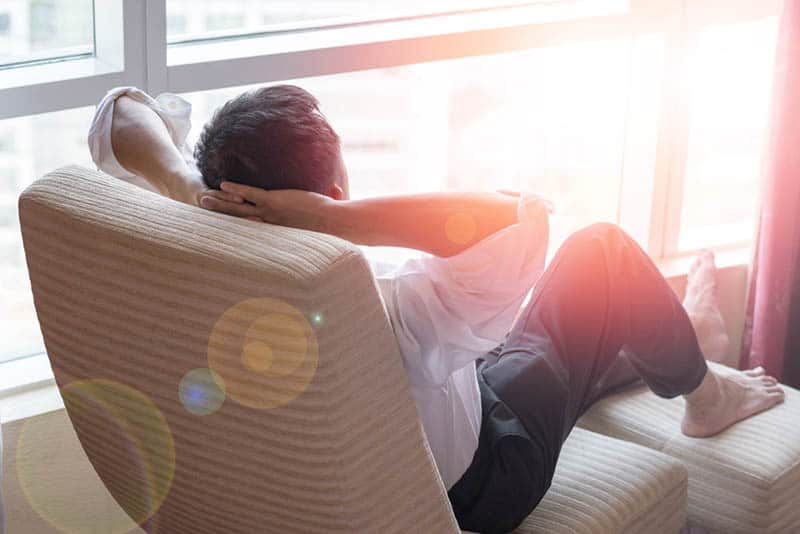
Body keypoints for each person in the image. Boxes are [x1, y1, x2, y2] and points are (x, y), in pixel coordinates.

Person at [88, 85, 784, 534]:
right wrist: (339, 220)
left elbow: (118, 113)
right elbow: (519, 215)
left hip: (343, 466)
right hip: (478, 486)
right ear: (332, 188)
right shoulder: (383, 302)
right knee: (598, 254)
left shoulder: (180, 261)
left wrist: (182, 184)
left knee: (516, 337)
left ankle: (680, 337)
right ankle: (706, 392)